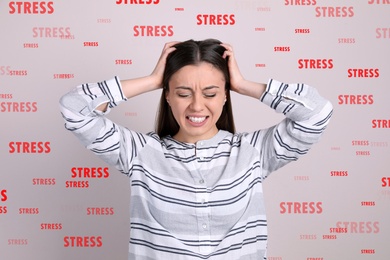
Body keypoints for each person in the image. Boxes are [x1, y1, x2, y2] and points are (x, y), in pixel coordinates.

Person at [60, 39, 333, 260]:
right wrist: (153, 80)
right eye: (182, 93)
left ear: (226, 95)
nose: (197, 106)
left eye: (211, 93)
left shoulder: (253, 152)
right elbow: (74, 108)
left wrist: (245, 86)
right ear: (167, 95)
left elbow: (317, 113)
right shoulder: (140, 152)